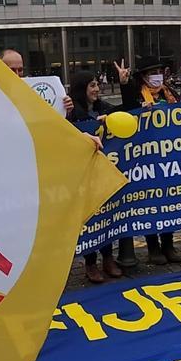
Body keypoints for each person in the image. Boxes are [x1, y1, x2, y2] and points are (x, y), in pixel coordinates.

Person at [117, 55, 181, 264]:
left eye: (159, 72)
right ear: (143, 77)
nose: (157, 76)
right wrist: (124, 84)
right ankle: (153, 246)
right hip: (146, 156)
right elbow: (127, 111)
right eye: (153, 73)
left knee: (168, 200)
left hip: (170, 154)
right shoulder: (137, 94)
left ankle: (169, 244)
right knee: (151, 201)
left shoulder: (168, 92)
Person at [66, 71, 128, 282]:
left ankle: (108, 258)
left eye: (97, 85)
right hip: (83, 176)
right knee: (91, 219)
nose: (96, 89)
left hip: (104, 173)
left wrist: (124, 84)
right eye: (92, 85)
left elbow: (127, 111)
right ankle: (91, 264)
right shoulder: (72, 111)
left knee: (106, 215)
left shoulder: (102, 107)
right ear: (81, 88)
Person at [2, 48, 75, 117]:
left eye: (20, 70)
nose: (17, 74)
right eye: (12, 70)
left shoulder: (33, 88)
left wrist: (64, 108)